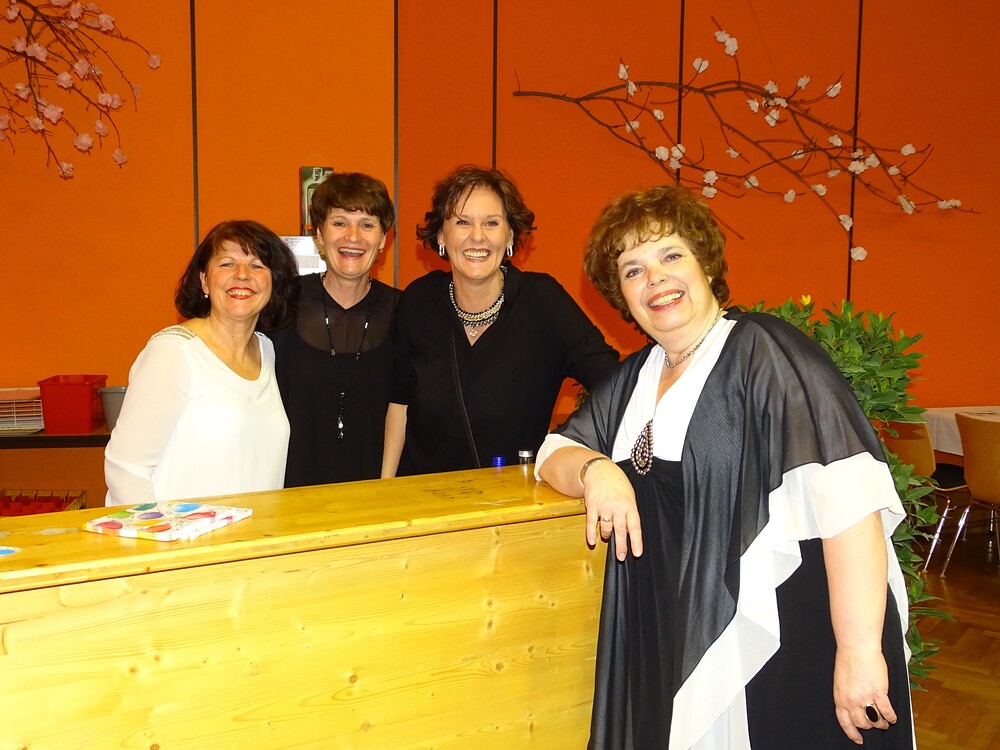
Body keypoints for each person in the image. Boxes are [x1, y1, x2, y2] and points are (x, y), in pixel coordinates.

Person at [536, 185, 913, 749]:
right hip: (679, 636)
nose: (655, 279)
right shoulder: (637, 375)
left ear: (706, 264)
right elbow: (552, 452)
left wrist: (860, 652)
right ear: (621, 295)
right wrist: (597, 470)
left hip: (784, 636)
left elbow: (849, 501)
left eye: (670, 256)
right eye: (633, 270)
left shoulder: (764, 352)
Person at [383, 165, 620, 476]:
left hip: (512, 500)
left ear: (510, 235)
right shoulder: (419, 300)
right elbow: (399, 404)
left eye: (491, 223)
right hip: (421, 496)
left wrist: (564, 446)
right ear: (441, 234)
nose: (477, 236)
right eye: (462, 222)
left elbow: (614, 385)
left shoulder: (543, 301)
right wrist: (385, 487)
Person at [104, 220, 298, 506]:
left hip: (257, 531)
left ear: (274, 284)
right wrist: (158, 531)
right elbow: (126, 470)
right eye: (227, 264)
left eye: (257, 265)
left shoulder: (266, 350)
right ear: (205, 280)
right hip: (179, 533)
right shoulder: (174, 352)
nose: (242, 275)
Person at [271, 172, 399, 485]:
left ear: (383, 239)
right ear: (319, 234)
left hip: (376, 492)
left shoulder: (406, 311)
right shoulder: (280, 303)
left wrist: (386, 488)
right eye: (339, 222)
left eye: (367, 225)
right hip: (288, 492)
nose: (353, 237)